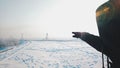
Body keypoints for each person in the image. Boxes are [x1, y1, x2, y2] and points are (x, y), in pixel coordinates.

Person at [72, 0, 120, 68]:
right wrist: (82, 35)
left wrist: (83, 35)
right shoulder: (112, 48)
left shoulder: (112, 49)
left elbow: (99, 43)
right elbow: (99, 43)